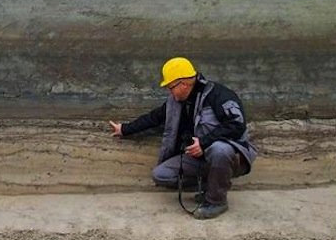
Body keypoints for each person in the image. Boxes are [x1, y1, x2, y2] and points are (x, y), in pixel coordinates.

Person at [108, 57, 257, 219]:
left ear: (183, 84)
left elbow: (237, 124)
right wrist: (124, 129)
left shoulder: (219, 95)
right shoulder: (176, 101)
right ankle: (212, 185)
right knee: (161, 174)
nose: (169, 91)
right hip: (199, 158)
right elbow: (155, 117)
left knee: (219, 149)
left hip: (232, 156)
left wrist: (205, 142)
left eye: (171, 87)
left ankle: (216, 201)